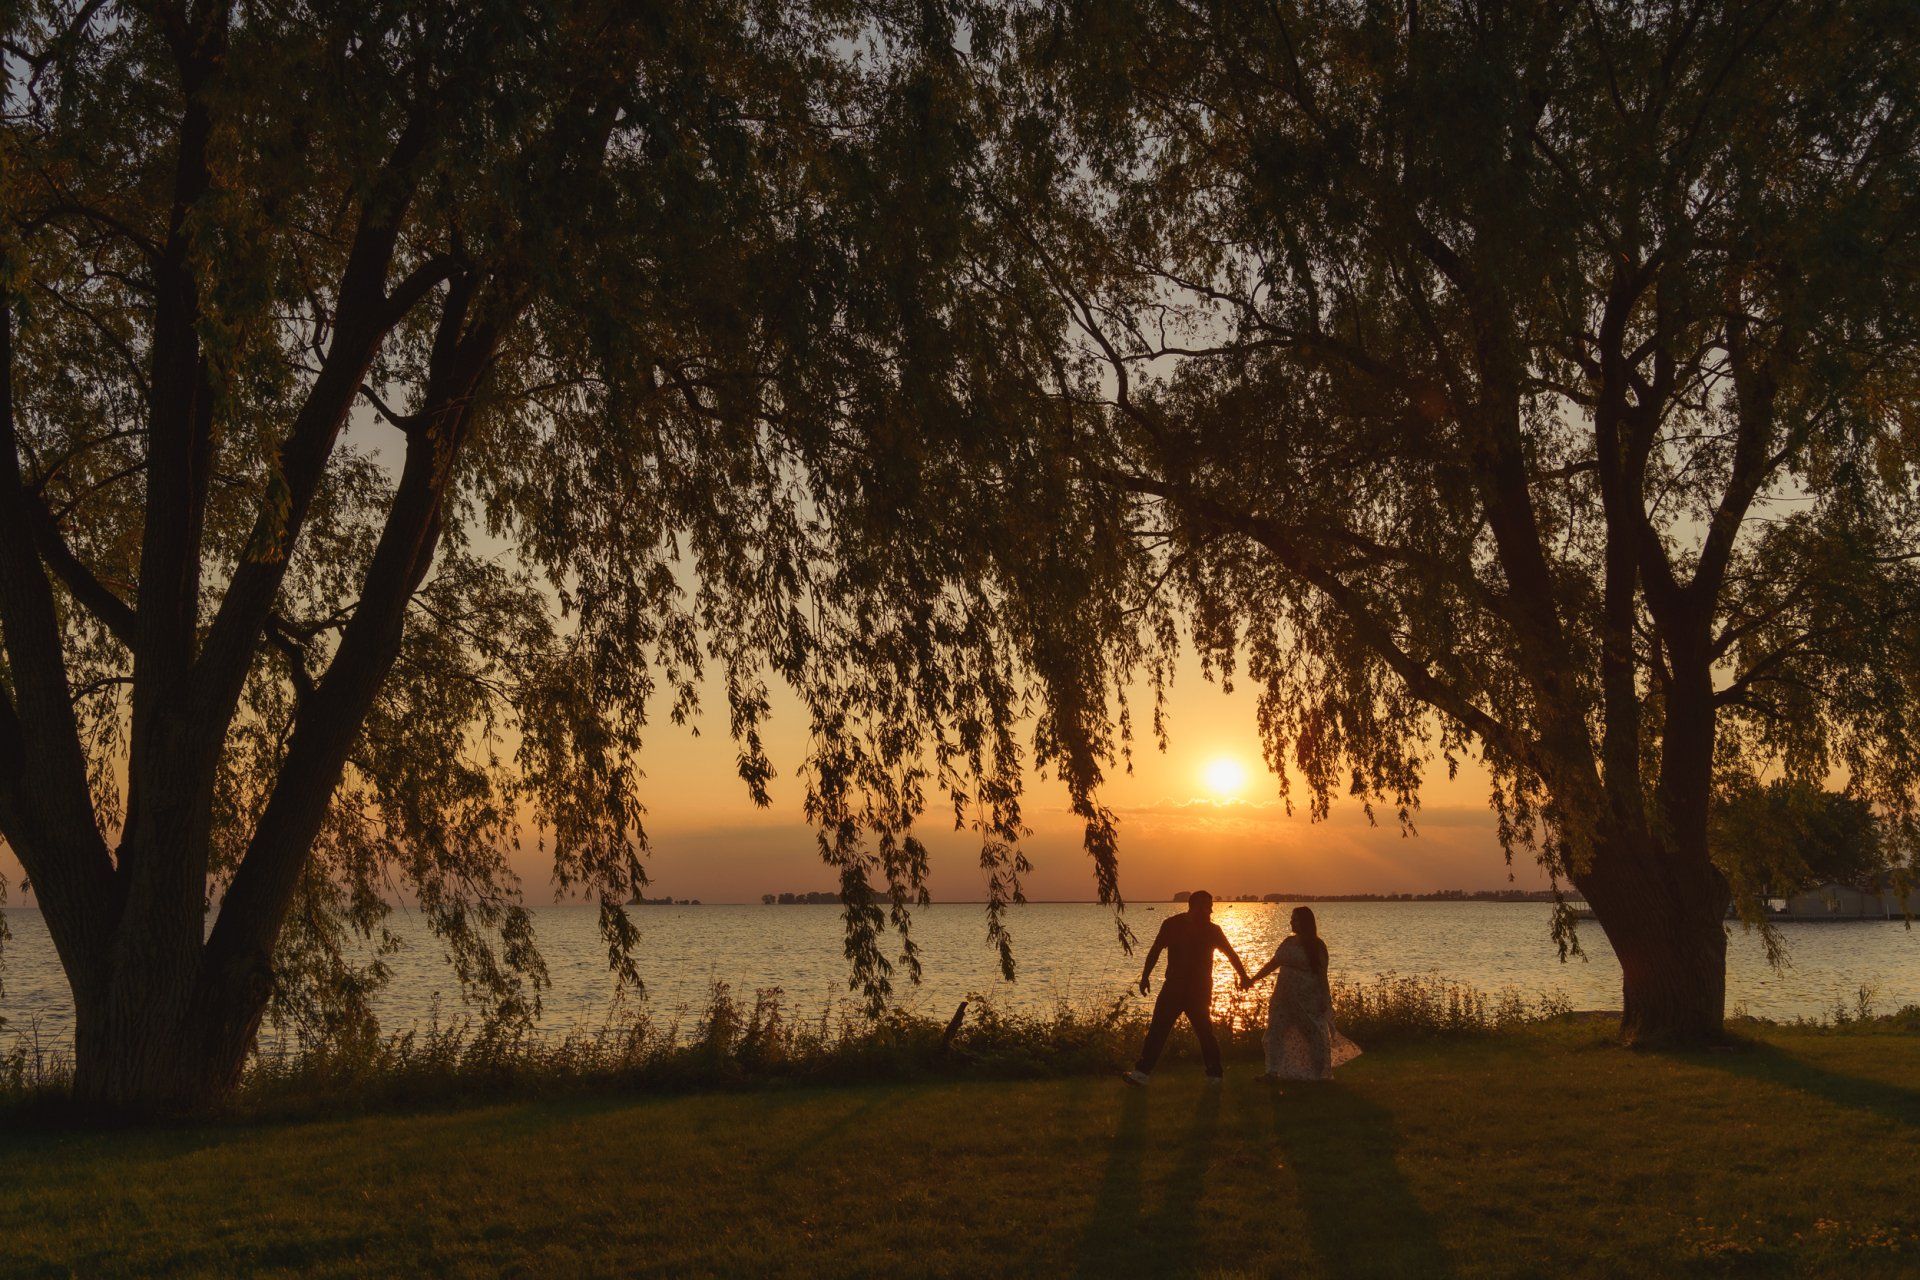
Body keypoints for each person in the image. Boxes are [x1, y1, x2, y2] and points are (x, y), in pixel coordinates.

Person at [1124, 890, 1250, 1086]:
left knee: (1204, 1032)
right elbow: (1155, 950)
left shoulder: (1213, 930)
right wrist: (1145, 977)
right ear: (1193, 906)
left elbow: (1231, 954)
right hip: (1173, 986)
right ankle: (1142, 1073)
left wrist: (1243, 977)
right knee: (1158, 1029)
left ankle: (1215, 1075)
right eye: (1205, 906)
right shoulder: (1172, 925)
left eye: (1211, 906)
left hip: (1199, 990)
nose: (1209, 911)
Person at [1242, 905, 1360, 1081]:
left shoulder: (1317, 946)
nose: (1291, 921)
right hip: (1283, 997)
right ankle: (1272, 1072)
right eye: (1291, 918)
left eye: (1294, 918)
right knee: (1275, 1032)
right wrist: (1253, 979)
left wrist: (1323, 998)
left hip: (1306, 997)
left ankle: (1321, 1073)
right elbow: (1273, 963)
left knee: (1313, 1033)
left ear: (1304, 922)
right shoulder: (1288, 942)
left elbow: (1322, 975)